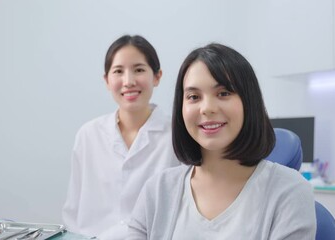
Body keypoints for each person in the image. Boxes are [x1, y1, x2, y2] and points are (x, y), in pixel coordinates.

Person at [128, 43, 316, 239]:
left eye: (223, 93)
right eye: (193, 97)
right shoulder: (158, 191)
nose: (207, 108)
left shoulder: (289, 191)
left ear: (249, 102)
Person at [62, 35, 180, 239]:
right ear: (107, 80)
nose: (129, 81)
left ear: (157, 76)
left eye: (139, 69)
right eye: (118, 71)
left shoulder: (177, 135)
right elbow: (73, 211)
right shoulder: (88, 135)